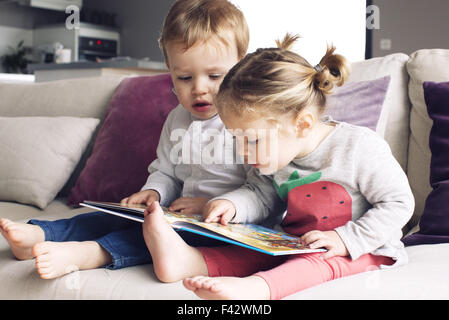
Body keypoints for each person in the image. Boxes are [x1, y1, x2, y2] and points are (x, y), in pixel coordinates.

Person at [141, 34, 415, 299]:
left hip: (363, 250)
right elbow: (259, 194)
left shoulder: (358, 147)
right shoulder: (274, 156)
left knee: (314, 265)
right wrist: (232, 204)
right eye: (237, 140)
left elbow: (398, 203)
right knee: (253, 251)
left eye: (252, 141)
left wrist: (345, 239)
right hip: (295, 243)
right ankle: (189, 262)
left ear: (302, 124)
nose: (243, 152)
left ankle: (257, 290)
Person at [0, 0, 252, 280]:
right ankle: (43, 233)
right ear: (169, 68)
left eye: (215, 76)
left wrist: (212, 205)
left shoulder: (248, 122)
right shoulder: (177, 119)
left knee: (150, 239)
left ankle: (90, 254)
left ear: (241, 63)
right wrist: (154, 192)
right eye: (184, 77)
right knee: (113, 216)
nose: (199, 89)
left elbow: (261, 191)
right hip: (179, 215)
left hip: (226, 226)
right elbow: (166, 171)